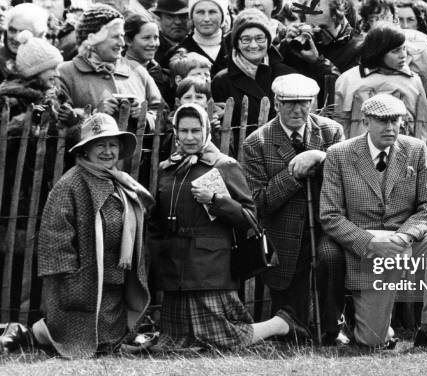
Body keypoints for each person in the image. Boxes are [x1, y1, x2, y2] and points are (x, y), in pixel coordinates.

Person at [148, 103, 309, 350]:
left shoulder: (224, 166)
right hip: (176, 269)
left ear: (206, 130)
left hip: (210, 268)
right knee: (175, 340)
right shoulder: (167, 168)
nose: (189, 137)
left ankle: (280, 323)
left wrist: (215, 201)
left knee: (224, 337)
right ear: (175, 131)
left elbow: (249, 218)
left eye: (195, 130)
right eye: (183, 131)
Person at [0, 113, 154, 357]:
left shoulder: (120, 182)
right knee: (76, 340)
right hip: (81, 285)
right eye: (100, 145)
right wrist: (73, 280)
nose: (107, 151)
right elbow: (55, 239)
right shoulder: (70, 184)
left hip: (113, 281)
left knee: (109, 340)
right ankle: (30, 336)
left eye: (112, 145)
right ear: (86, 150)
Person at [319, 93, 427, 349]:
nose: (390, 127)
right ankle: (376, 327)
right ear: (365, 121)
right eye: (382, 121)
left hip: (404, 239)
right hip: (365, 250)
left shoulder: (414, 149)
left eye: (395, 121)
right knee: (372, 342)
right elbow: (330, 216)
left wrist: (404, 237)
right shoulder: (339, 154)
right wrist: (370, 243)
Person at [241, 74, 346, 342]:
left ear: (312, 102)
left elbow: (346, 180)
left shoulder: (331, 132)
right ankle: (292, 327)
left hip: (324, 228)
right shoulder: (257, 142)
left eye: (304, 103)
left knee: (330, 259)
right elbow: (258, 202)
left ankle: (333, 328)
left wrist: (321, 157)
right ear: (276, 103)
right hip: (282, 234)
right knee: (292, 320)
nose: (297, 110)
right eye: (289, 103)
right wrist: (293, 175)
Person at [57, 4, 163, 134]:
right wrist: (96, 116)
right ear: (93, 39)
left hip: (134, 154)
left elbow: (161, 112)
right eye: (115, 37)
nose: (122, 43)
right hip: (85, 154)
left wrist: (145, 117)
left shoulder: (137, 71)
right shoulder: (66, 73)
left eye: (122, 36)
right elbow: (57, 127)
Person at [211, 8, 295, 156]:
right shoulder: (221, 80)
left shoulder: (286, 74)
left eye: (260, 38)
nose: (254, 45)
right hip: (239, 155)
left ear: (268, 40)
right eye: (246, 39)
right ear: (237, 42)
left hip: (282, 155)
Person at [334, 22, 427, 139]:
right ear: (378, 52)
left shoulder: (413, 80)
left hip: (403, 151)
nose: (403, 55)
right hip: (359, 151)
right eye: (395, 51)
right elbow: (340, 123)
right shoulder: (349, 80)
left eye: (404, 48)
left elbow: (423, 125)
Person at [167, 0, 230, 78]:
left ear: (223, 16)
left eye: (212, 12)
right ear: (192, 17)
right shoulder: (177, 53)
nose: (206, 19)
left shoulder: (236, 50)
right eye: (200, 12)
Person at [124, 13, 174, 106]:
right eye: (146, 38)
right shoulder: (116, 73)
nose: (153, 44)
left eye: (156, 37)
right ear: (128, 41)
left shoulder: (166, 78)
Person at [0, 3, 49, 82]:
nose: (16, 38)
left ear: (39, 35)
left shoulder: (49, 63)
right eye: (12, 30)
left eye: (24, 33)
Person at [152, 0, 189, 66]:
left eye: (183, 16)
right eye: (170, 17)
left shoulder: (197, 45)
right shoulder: (151, 49)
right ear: (159, 20)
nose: (178, 22)